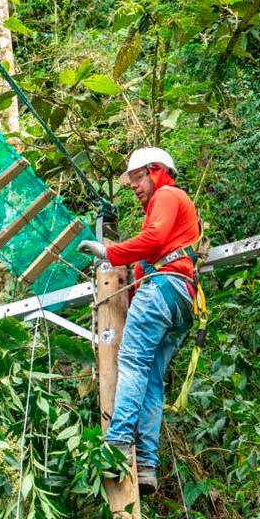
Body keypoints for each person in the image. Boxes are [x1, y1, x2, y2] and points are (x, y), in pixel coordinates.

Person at [77, 147, 201, 494]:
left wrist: (108, 253)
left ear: (156, 171)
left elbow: (154, 239)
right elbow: (154, 250)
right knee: (151, 381)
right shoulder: (181, 211)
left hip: (163, 290)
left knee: (131, 362)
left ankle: (116, 447)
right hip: (181, 300)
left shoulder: (167, 194)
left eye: (136, 177)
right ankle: (146, 464)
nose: (133, 186)